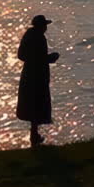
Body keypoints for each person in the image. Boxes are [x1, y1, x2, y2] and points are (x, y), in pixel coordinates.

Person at [16, 14, 59, 146]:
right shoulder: (38, 37)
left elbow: (22, 55)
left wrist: (44, 59)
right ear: (42, 26)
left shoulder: (29, 36)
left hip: (29, 74)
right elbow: (37, 58)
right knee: (37, 103)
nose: (46, 28)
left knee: (32, 104)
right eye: (45, 25)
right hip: (37, 76)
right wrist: (49, 58)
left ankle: (34, 135)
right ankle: (34, 136)